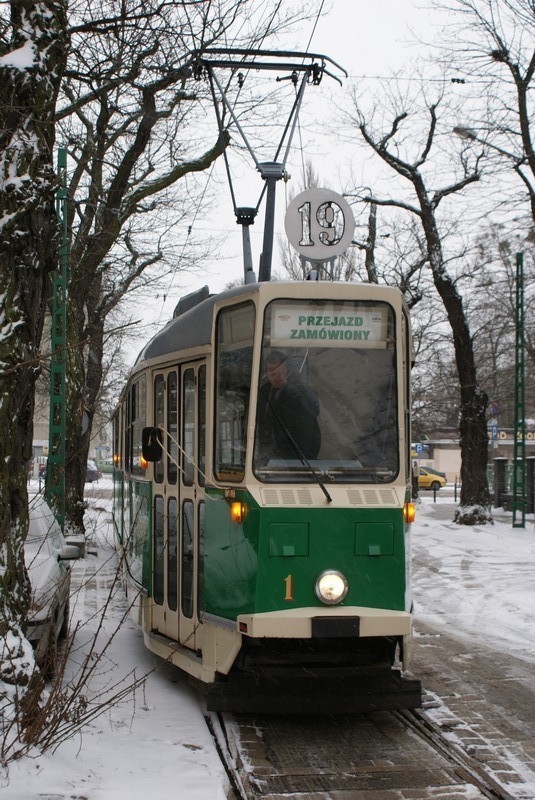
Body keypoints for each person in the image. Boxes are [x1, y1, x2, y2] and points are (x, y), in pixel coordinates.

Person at [255, 350, 321, 464]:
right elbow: (261, 422)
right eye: (273, 374)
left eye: (281, 372)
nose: (278, 377)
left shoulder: (299, 390)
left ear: (287, 370)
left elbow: (314, 411)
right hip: (271, 455)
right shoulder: (263, 393)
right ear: (266, 374)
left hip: (300, 453)